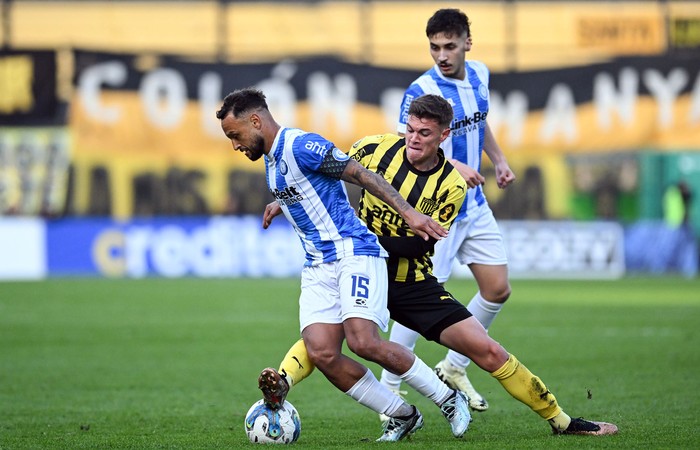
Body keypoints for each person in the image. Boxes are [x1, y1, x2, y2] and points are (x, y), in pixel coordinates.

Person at [259, 94, 618, 438]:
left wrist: (357, 241)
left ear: (444, 136)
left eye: (424, 133)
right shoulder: (373, 149)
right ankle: (284, 382)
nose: (413, 139)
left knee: (487, 350)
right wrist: (285, 202)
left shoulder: (451, 186)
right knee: (323, 340)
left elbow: (418, 245)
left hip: (408, 281)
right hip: (356, 265)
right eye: (410, 129)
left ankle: (561, 419)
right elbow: (324, 175)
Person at [216, 88, 471, 442]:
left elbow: (364, 176)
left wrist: (409, 212)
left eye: (235, 135)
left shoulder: (303, 145)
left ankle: (447, 399)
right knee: (322, 353)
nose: (235, 145)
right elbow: (303, 189)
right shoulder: (272, 162)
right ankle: (402, 414)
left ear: (255, 121)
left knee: (363, 342)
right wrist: (281, 204)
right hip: (318, 264)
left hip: (354, 251)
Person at [381, 7, 516, 412]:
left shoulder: (481, 75)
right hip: (437, 210)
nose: (442, 55)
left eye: (449, 46)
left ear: (467, 44)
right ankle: (391, 391)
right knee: (413, 305)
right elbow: (407, 144)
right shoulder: (421, 89)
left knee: (497, 289)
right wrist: (454, 164)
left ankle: (455, 366)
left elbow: (480, 122)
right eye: (435, 47)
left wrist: (499, 160)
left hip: (474, 206)